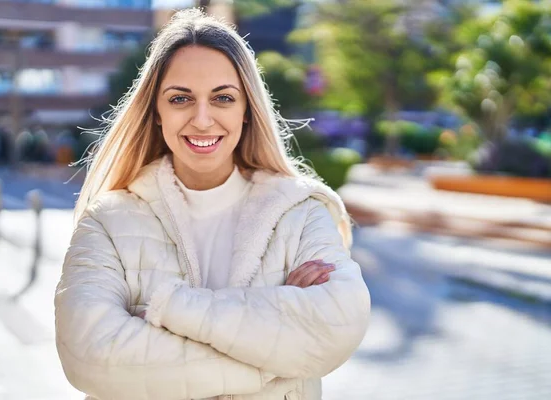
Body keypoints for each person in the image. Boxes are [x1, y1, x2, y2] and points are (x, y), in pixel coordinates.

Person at [55, 9, 370, 400]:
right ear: (156, 111)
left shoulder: (302, 212)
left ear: (247, 109)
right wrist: (274, 355)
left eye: (222, 98)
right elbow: (91, 357)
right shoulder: (106, 222)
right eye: (180, 98)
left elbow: (336, 327)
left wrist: (169, 312)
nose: (202, 119)